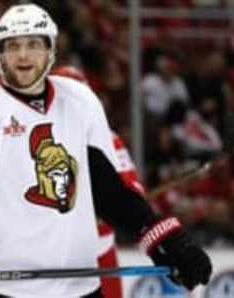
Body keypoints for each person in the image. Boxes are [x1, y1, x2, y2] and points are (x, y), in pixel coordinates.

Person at [0, 4, 212, 298]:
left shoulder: (81, 100)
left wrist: (164, 238)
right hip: (1, 290)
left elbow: (110, 191)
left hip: (79, 286)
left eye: (34, 44)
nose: (24, 55)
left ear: (51, 50)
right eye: (12, 46)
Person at [51, 65, 145, 298]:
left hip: (99, 251)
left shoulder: (108, 139)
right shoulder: (37, 141)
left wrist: (114, 207)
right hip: (50, 253)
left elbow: (132, 188)